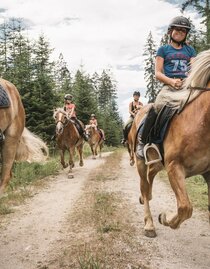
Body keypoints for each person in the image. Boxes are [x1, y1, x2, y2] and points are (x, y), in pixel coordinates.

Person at [136, 16, 196, 158]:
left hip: (187, 86)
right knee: (157, 106)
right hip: (170, 86)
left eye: (183, 30)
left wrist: (188, 81)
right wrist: (171, 81)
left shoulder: (190, 50)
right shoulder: (163, 49)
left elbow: (194, 69)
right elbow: (157, 73)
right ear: (170, 31)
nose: (180, 32)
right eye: (177, 29)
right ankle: (143, 141)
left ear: (186, 33)